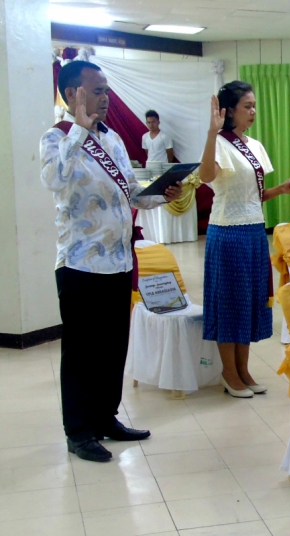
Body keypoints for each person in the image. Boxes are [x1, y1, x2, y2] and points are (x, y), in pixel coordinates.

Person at [41, 60, 183, 462]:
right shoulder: (54, 138)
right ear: (73, 94)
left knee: (112, 348)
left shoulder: (115, 140)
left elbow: (131, 194)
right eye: (97, 91)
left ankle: (105, 418)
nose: (106, 98)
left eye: (106, 90)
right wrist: (79, 132)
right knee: (82, 353)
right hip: (80, 265)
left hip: (119, 263)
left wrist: (161, 194)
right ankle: (79, 431)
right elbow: (55, 180)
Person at [199, 81, 290, 398]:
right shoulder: (220, 144)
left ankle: (243, 369)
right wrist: (210, 134)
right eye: (247, 106)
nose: (253, 111)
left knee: (248, 301)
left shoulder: (254, 146)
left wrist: (280, 190)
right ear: (229, 111)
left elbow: (254, 197)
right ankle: (229, 373)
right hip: (227, 231)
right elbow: (205, 177)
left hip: (254, 230)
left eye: (255, 105)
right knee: (229, 301)